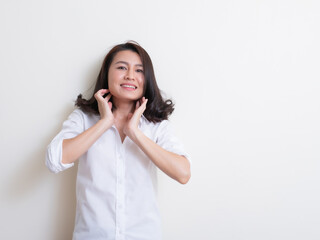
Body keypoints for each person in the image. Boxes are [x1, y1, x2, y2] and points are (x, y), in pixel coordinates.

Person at [46, 41, 191, 240]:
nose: (130, 75)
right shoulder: (83, 119)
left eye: (139, 70)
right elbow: (54, 160)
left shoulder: (156, 125)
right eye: (122, 67)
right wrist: (105, 122)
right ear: (107, 74)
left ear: (146, 79)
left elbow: (183, 173)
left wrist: (135, 133)